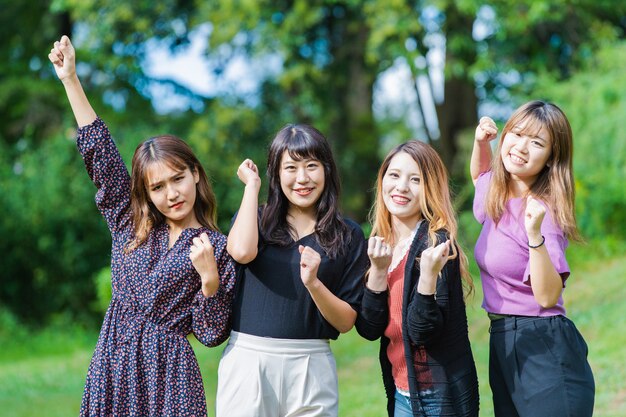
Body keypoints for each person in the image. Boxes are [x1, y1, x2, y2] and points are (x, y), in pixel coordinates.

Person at [48, 36, 236, 417]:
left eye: (178, 179)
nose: (171, 194)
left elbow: (211, 334)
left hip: (170, 375)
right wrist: (70, 79)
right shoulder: (129, 223)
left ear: (195, 175)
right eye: (158, 187)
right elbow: (100, 154)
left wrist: (210, 283)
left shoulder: (216, 247)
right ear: (146, 193)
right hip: (113, 363)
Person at [216, 124, 368, 416]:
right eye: (291, 167)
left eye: (312, 166)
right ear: (276, 173)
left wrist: (314, 283)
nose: (302, 178)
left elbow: (346, 321)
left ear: (327, 170)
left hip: (312, 363)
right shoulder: (257, 218)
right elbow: (241, 252)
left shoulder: (348, 234)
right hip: (249, 360)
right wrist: (251, 187)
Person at [471, 100, 595, 417]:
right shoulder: (496, 195)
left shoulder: (544, 213)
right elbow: (480, 175)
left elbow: (547, 295)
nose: (521, 148)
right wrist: (481, 143)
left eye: (536, 142)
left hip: (543, 344)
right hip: (503, 341)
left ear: (551, 158)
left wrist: (534, 234)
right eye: (517, 134)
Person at [356, 140, 479, 417]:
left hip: (438, 397)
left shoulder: (437, 244)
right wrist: (377, 270)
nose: (401, 187)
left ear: (429, 188)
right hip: (401, 392)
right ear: (383, 180)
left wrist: (427, 277)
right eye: (394, 175)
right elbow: (368, 328)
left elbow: (422, 332)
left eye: (415, 180)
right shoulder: (379, 245)